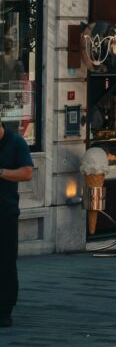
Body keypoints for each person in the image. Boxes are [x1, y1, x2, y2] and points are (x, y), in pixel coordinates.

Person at [0, 117, 34, 328]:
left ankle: (4, 310)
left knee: (5, 264)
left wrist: (1, 172)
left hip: (5, 213)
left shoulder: (16, 143)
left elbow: (27, 172)